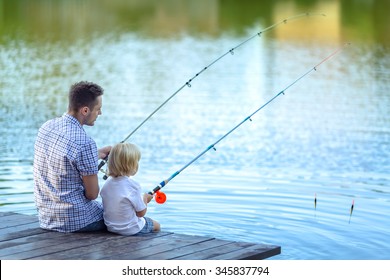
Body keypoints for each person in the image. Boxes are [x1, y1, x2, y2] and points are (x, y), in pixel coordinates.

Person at [33, 81, 111, 232]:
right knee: (125, 215)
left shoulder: (46, 127)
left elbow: (63, 160)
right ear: (85, 110)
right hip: (75, 221)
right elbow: (92, 194)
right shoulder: (85, 142)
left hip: (46, 217)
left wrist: (97, 154)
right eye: (98, 109)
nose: (100, 113)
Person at [100, 142, 160, 236]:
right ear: (132, 165)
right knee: (157, 225)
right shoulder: (133, 185)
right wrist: (145, 199)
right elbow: (141, 213)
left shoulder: (107, 183)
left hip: (111, 227)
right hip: (131, 229)